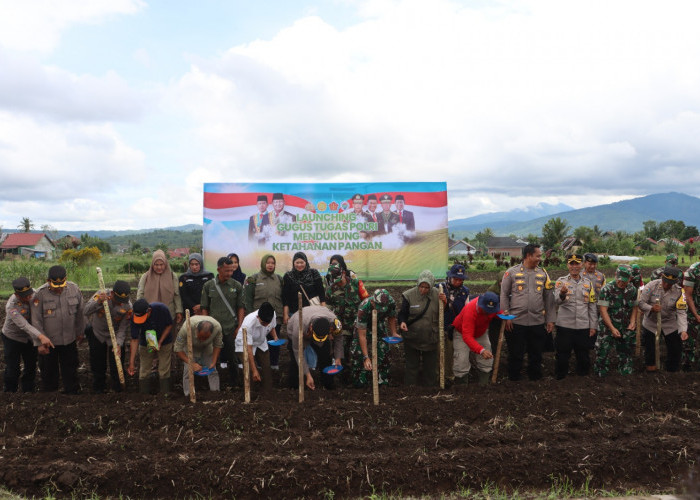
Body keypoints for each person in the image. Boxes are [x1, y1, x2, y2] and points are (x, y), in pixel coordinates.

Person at [500, 244, 555, 381]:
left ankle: (535, 379)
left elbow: (548, 297)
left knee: (536, 353)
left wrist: (550, 319)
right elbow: (504, 295)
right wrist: (506, 316)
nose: (540, 258)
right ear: (528, 256)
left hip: (537, 321)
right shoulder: (511, 272)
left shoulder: (543, 274)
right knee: (516, 353)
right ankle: (514, 379)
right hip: (516, 321)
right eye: (538, 256)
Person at [31, 265, 84, 394]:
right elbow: (36, 320)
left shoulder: (74, 289)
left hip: (69, 339)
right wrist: (39, 342)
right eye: (56, 286)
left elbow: (80, 313)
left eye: (61, 285)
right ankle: (50, 394)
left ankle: (72, 393)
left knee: (70, 368)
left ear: (65, 279)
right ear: (48, 280)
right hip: (49, 341)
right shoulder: (40, 294)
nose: (59, 289)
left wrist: (80, 332)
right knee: (48, 370)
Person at [2, 277, 54, 392]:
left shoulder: (35, 294)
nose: (28, 297)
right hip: (13, 337)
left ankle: (28, 389)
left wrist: (39, 339)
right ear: (17, 294)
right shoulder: (12, 306)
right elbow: (24, 325)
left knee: (30, 364)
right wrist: (41, 337)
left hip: (30, 338)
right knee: (13, 366)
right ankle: (10, 390)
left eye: (29, 294)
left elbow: (39, 318)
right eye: (25, 296)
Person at [201, 256, 245, 389]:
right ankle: (211, 384)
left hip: (229, 327)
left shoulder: (236, 286)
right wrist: (206, 325)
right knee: (211, 356)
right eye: (227, 271)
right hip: (213, 328)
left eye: (231, 271)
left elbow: (241, 307)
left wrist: (239, 326)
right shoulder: (209, 286)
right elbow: (204, 307)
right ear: (218, 269)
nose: (230, 274)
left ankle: (234, 382)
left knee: (232, 357)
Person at [553, 254, 598, 379]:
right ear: (567, 265)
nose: (574, 266)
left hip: (583, 326)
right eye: (571, 263)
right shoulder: (561, 281)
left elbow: (592, 306)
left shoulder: (588, 283)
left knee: (583, 355)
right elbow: (556, 301)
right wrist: (562, 294)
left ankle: (582, 379)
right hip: (565, 326)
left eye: (577, 263)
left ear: (581, 265)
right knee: (562, 355)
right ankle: (560, 378)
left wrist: (593, 326)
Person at [83, 280, 133, 393]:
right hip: (98, 333)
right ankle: (99, 387)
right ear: (112, 293)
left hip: (114, 337)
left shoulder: (128, 306)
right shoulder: (101, 294)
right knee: (97, 362)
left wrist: (118, 344)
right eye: (118, 299)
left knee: (116, 362)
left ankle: (118, 388)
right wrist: (99, 302)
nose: (120, 302)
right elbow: (86, 311)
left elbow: (123, 328)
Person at [638, 267, 688, 372]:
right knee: (650, 348)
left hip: (669, 322)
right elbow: (641, 303)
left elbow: (681, 312)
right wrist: (651, 308)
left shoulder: (679, 291)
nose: (667, 285)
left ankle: (671, 371)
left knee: (675, 347)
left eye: (670, 283)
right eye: (665, 282)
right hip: (651, 322)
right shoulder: (651, 286)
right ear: (662, 277)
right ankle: (651, 369)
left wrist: (683, 330)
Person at [594, 265, 639, 377]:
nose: (621, 283)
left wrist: (633, 322)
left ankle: (625, 371)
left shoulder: (632, 290)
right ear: (615, 275)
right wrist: (612, 328)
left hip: (625, 325)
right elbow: (603, 310)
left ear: (630, 279)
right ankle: (601, 371)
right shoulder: (607, 289)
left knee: (626, 350)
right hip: (607, 325)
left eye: (624, 281)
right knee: (602, 350)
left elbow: (634, 307)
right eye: (619, 280)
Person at [397, 270, 440, 386]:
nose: (423, 290)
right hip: (412, 337)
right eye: (421, 286)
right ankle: (410, 388)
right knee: (412, 365)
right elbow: (402, 314)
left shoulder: (438, 294)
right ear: (418, 284)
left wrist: (445, 302)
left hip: (431, 337)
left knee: (430, 366)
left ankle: (430, 387)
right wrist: (402, 322)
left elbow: (443, 313)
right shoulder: (408, 295)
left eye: (427, 287)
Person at [324, 262, 369, 372]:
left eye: (338, 279)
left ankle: (358, 377)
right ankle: (344, 378)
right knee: (341, 353)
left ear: (343, 273)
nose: (337, 283)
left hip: (357, 326)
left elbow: (367, 302)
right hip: (341, 328)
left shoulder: (356, 284)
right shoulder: (330, 290)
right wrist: (329, 332)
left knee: (358, 352)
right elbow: (327, 312)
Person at [352, 289, 400, 388]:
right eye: (379, 307)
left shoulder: (390, 302)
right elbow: (362, 336)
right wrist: (366, 357)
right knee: (358, 352)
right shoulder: (364, 307)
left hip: (379, 323)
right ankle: (360, 382)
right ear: (372, 302)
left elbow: (391, 316)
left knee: (384, 350)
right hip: (363, 326)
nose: (380, 310)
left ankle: (382, 380)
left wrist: (394, 332)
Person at [287, 305, 343, 390]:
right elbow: (298, 353)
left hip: (318, 319)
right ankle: (294, 386)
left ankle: (328, 384)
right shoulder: (298, 326)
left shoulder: (334, 323)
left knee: (325, 355)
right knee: (295, 362)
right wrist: (308, 375)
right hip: (299, 331)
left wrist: (338, 358)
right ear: (311, 328)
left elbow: (339, 338)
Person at [244, 254, 284, 369]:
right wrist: (251, 315)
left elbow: (283, 297)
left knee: (275, 340)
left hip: (275, 317)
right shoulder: (253, 279)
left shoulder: (279, 279)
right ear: (263, 263)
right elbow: (247, 299)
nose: (270, 265)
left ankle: (274, 364)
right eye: (268, 263)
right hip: (259, 318)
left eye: (272, 263)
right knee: (259, 341)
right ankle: (260, 365)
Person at [452, 292, 501, 385]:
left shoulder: (493, 307)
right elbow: (467, 336)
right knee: (461, 360)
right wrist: (481, 350)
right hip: (462, 333)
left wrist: (506, 315)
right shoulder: (470, 310)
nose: (488, 313)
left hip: (480, 332)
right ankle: (461, 387)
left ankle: (484, 385)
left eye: (490, 311)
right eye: (486, 310)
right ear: (481, 304)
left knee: (487, 357)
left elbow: (499, 312)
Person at [128, 298, 174, 394]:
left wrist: (160, 341)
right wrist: (131, 363)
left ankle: (165, 393)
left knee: (163, 368)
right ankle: (144, 395)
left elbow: (169, 325)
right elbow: (134, 339)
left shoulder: (162, 309)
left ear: (149, 310)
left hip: (164, 339)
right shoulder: (134, 317)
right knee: (145, 368)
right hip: (147, 339)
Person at [436, 264, 470, 385]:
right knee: (440, 354)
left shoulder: (465, 291)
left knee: (454, 355)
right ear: (449, 278)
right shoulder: (439, 288)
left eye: (460, 279)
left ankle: (451, 378)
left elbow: (466, 311)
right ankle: (440, 377)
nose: (458, 281)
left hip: (456, 328)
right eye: (455, 279)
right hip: (440, 327)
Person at [173, 316, 223, 397]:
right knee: (188, 371)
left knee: (212, 370)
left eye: (206, 338)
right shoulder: (186, 328)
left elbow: (218, 345)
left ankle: (215, 393)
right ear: (196, 330)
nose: (203, 339)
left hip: (207, 347)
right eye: (201, 337)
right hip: (190, 346)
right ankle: (189, 395)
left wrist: (214, 362)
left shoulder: (217, 328)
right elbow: (177, 348)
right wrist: (191, 363)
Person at [236, 302, 277, 392]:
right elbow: (249, 349)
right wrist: (255, 370)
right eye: (263, 323)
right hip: (244, 343)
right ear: (258, 317)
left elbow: (272, 327)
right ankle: (250, 393)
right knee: (249, 370)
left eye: (267, 323)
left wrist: (275, 337)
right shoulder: (248, 323)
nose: (266, 325)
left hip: (261, 341)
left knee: (266, 367)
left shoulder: (272, 314)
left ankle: (267, 393)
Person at [137, 249, 183, 325]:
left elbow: (176, 295)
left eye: (161, 264)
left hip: (169, 314)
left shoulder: (172, 276)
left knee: (168, 335)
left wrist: (179, 311)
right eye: (156, 265)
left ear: (165, 264)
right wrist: (139, 310)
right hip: (150, 314)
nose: (159, 267)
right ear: (152, 265)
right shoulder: (146, 277)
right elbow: (140, 294)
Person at [282, 251, 325, 323]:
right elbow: (285, 297)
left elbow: (321, 293)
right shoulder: (288, 276)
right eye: (297, 262)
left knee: (311, 333)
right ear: (293, 263)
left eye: (302, 262)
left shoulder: (314, 273)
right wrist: (285, 314)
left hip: (313, 312)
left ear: (306, 262)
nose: (299, 265)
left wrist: (323, 311)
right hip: (294, 313)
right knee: (295, 333)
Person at [682, 261, 700, 371]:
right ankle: (687, 366)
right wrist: (696, 315)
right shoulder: (692, 272)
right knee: (690, 341)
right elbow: (688, 296)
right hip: (693, 309)